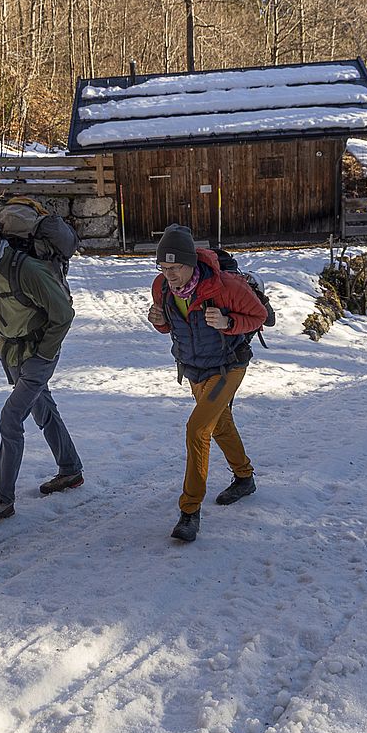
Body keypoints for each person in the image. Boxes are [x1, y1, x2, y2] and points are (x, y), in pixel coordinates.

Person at [146, 224, 268, 542]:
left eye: (175, 268)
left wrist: (229, 323)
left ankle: (189, 511)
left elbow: (260, 316)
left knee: (198, 429)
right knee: (219, 425)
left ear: (191, 263)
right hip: (194, 368)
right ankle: (244, 477)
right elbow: (172, 327)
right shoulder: (161, 287)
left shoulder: (225, 285)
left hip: (228, 366)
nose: (169, 275)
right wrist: (159, 322)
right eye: (163, 267)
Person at [0, 211, 84, 522]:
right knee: (43, 409)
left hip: (39, 352)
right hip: (13, 355)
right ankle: (70, 469)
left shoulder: (26, 269)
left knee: (11, 418)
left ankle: (3, 498)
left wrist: (43, 355)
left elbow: (63, 314)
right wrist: (4, 355)